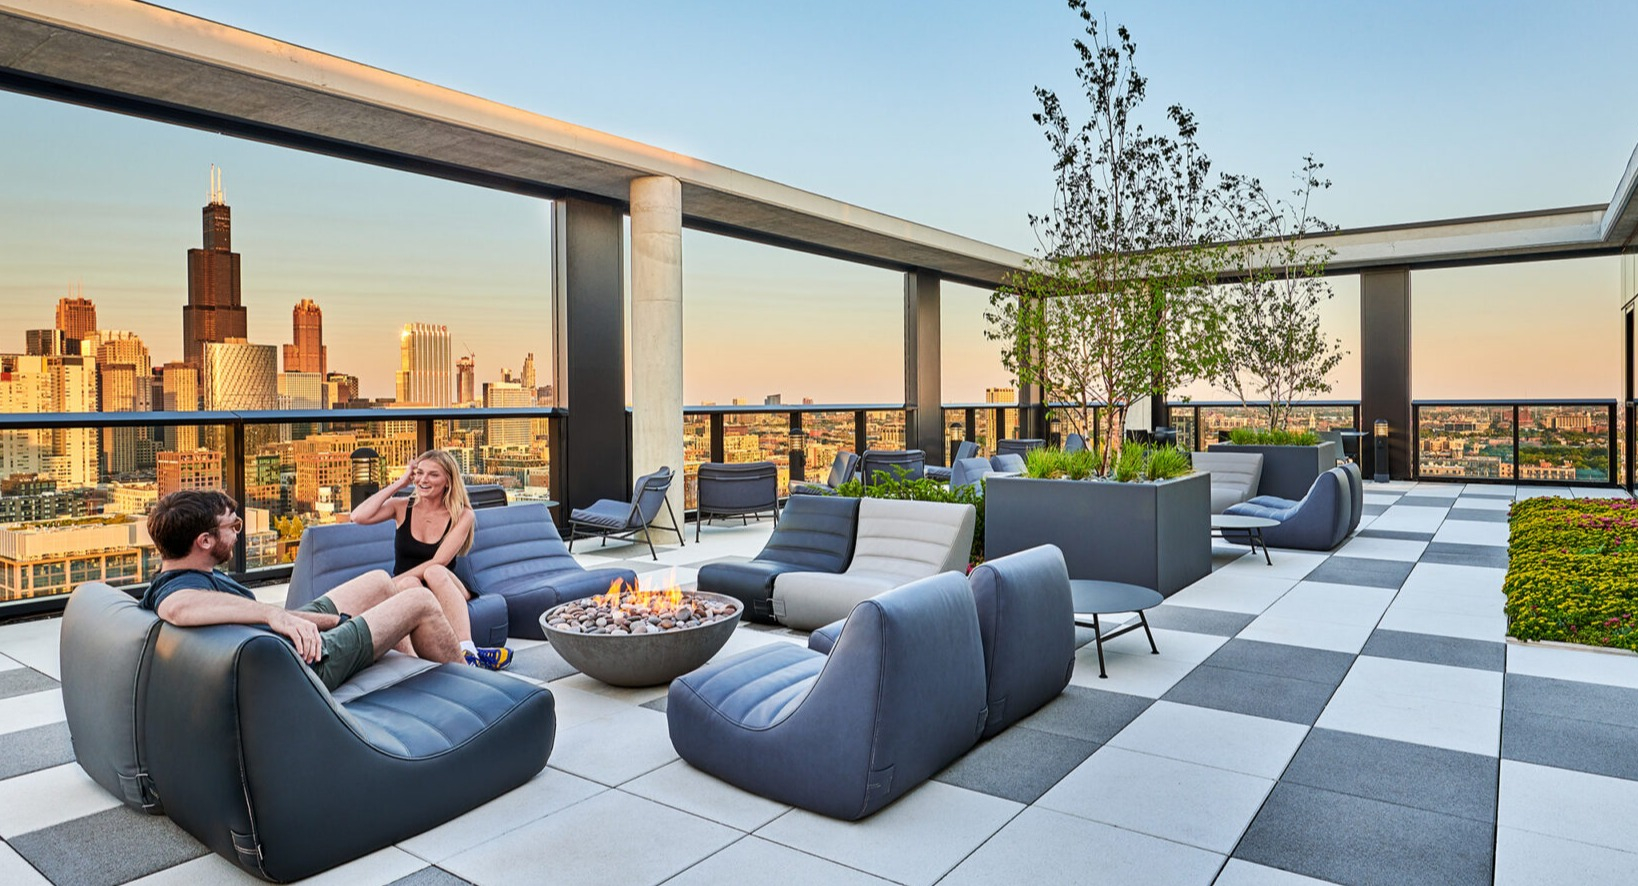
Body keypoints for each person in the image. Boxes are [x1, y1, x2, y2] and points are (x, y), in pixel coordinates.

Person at [140, 490, 509, 691]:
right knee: (419, 600)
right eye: (232, 525)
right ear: (204, 540)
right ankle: (471, 681)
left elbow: (232, 612)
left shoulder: (195, 573)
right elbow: (179, 608)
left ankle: (414, 666)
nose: (238, 531)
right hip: (307, 663)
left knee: (381, 583)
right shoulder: (176, 589)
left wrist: (333, 620)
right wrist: (272, 613)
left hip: (286, 640)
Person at [349, 449, 510, 670]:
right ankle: (428, 662)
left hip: (445, 585)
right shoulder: (401, 507)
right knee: (409, 584)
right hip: (410, 588)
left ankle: (468, 650)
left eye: (433, 475)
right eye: (420, 473)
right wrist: (400, 483)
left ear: (448, 481)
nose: (424, 480)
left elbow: (440, 561)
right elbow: (358, 516)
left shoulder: (462, 514)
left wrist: (390, 584)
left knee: (432, 572)